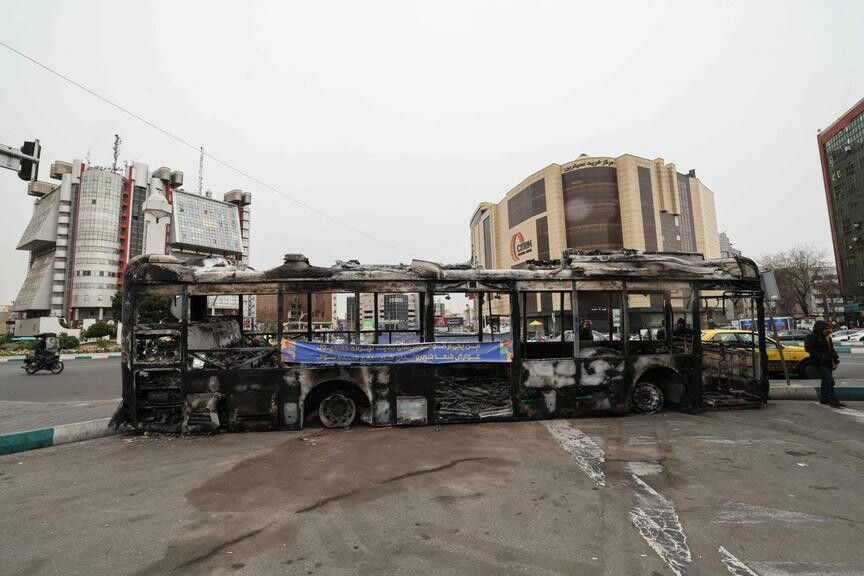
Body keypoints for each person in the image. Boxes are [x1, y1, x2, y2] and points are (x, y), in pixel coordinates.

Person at [804, 320, 845, 408]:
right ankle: (833, 401)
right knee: (829, 380)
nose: (829, 331)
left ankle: (824, 399)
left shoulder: (827, 337)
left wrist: (835, 358)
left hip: (828, 363)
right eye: (826, 329)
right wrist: (821, 356)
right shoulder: (811, 336)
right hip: (819, 363)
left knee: (825, 381)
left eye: (829, 329)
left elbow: (831, 349)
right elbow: (808, 349)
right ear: (820, 328)